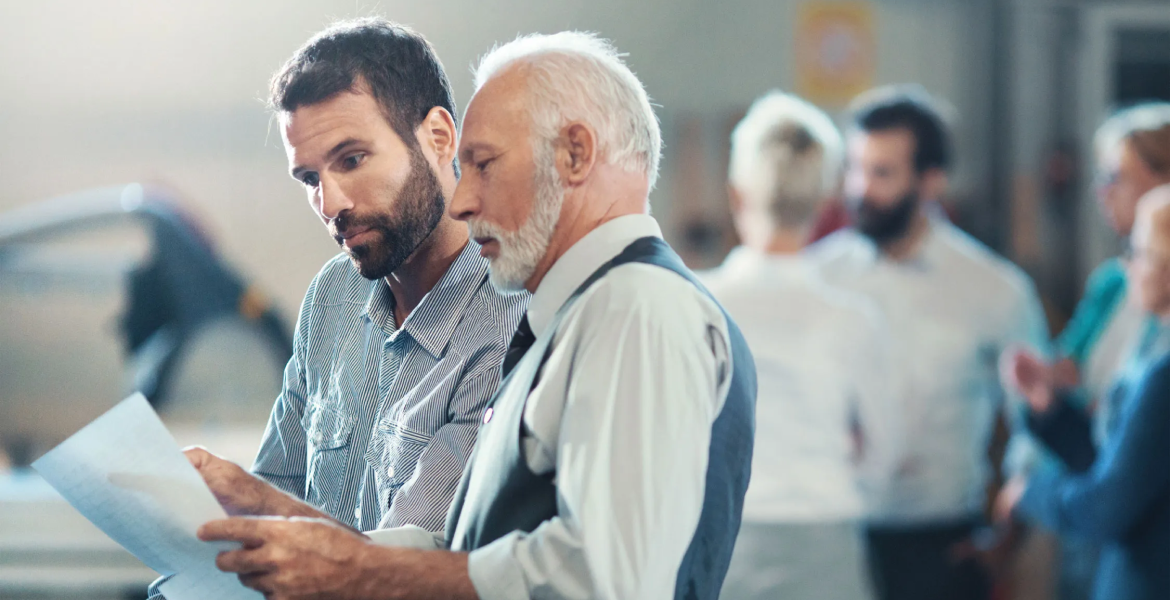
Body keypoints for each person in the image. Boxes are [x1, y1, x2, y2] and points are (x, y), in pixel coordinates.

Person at [190, 31, 756, 600]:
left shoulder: (637, 306)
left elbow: (605, 580)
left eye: (483, 165)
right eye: (311, 179)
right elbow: (474, 545)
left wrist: (353, 570)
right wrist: (261, 507)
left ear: (575, 154)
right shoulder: (578, 316)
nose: (463, 200)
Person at [146, 17, 526, 598]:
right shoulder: (332, 297)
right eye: (308, 177)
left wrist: (256, 501)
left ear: (438, 137)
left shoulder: (509, 320)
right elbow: (275, 491)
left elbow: (418, 566)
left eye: (351, 160)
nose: (330, 204)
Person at [808, 85, 1050, 600]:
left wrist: (1009, 534)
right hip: (833, 537)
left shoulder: (994, 289)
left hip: (943, 547)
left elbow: (1037, 422)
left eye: (882, 173)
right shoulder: (817, 277)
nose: (859, 189)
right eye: (854, 169)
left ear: (931, 181)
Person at [705, 91, 900, 600]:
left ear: (736, 194)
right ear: (825, 201)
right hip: (827, 544)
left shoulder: (694, 303)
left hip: (724, 543)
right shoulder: (854, 319)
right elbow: (884, 457)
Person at [997, 184, 1170, 600]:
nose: (1128, 267)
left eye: (1139, 252)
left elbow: (1106, 508)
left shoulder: (1165, 376)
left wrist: (1030, 492)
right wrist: (1049, 409)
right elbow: (1123, 469)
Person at [1007, 102, 1170, 449]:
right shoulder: (1112, 282)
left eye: (1115, 177)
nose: (1101, 192)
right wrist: (1045, 380)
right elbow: (1066, 373)